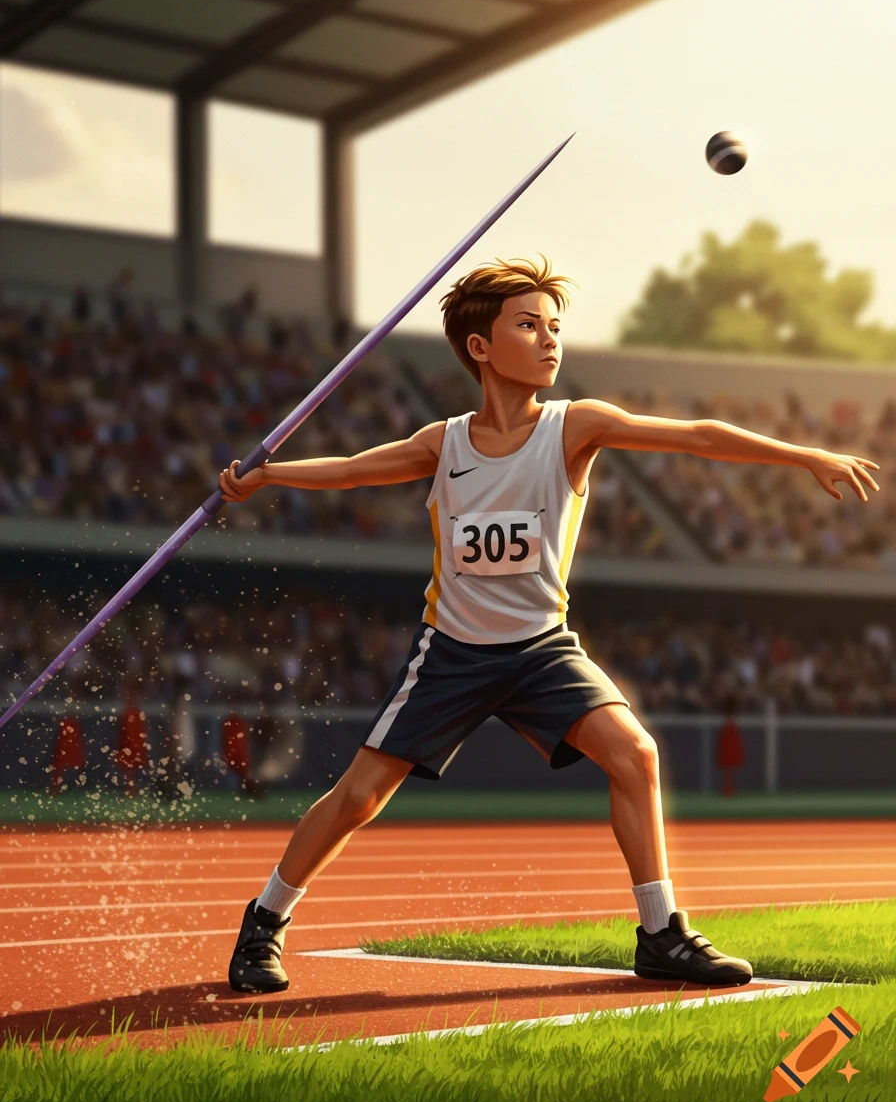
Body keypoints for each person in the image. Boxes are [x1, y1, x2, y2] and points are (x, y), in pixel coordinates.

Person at [218, 255, 881, 994]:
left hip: (541, 650)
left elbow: (696, 434)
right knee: (360, 798)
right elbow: (349, 468)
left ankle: (661, 934)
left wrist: (804, 455)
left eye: (554, 327)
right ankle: (264, 923)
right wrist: (269, 477)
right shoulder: (444, 444)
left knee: (635, 755)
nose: (549, 340)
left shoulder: (575, 428)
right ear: (480, 347)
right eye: (528, 325)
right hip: (453, 653)